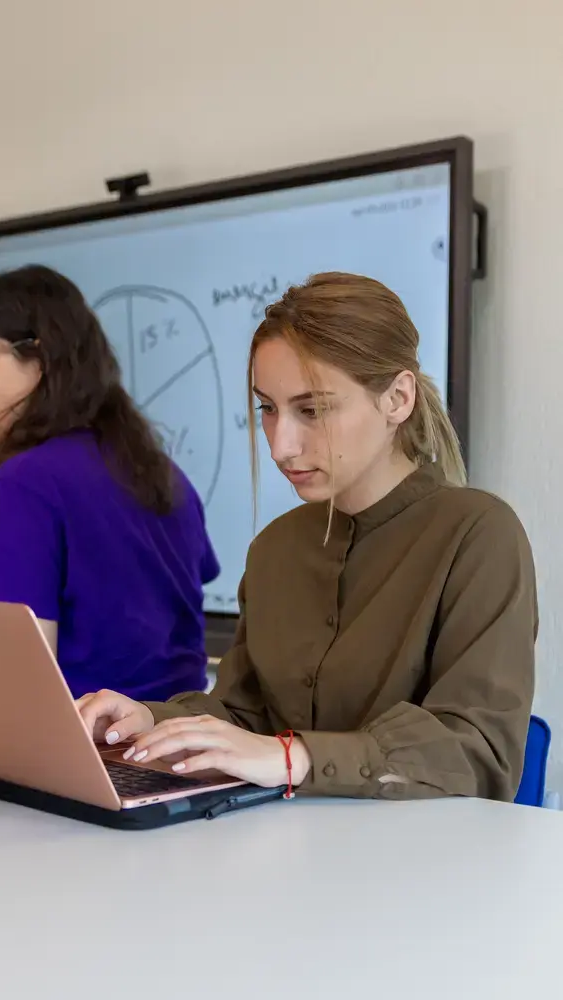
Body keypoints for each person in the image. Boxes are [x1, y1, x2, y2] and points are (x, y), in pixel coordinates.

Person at [77, 272, 537, 801]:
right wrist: (148, 720)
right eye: (267, 410)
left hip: (415, 869)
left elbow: (475, 752)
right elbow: (243, 712)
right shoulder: (274, 549)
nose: (280, 446)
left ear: (397, 398)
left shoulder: (479, 535)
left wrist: (292, 757)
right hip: (283, 856)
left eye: (312, 410)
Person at [0, 264, 219, 701]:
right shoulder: (167, 476)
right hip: (178, 747)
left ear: (39, 358)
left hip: (83, 755)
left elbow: (3, 689)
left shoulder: (25, 483)